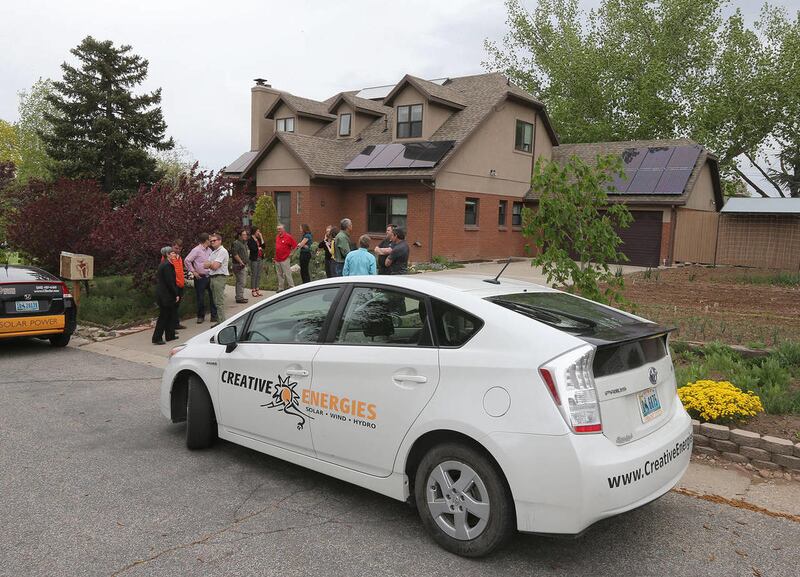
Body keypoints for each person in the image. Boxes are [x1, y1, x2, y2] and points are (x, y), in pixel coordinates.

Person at [184, 233, 218, 324]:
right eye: (210, 239)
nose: (211, 241)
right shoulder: (196, 250)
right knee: (200, 297)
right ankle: (200, 316)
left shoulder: (209, 250)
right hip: (200, 277)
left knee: (213, 296)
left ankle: (214, 315)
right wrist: (193, 271)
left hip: (209, 276)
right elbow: (187, 260)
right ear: (206, 240)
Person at [153, 246, 180, 345]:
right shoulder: (167, 265)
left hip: (165, 294)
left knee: (170, 315)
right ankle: (157, 338)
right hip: (165, 295)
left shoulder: (166, 264)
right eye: (172, 253)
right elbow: (170, 282)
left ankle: (170, 335)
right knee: (164, 316)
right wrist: (176, 293)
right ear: (167, 254)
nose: (174, 254)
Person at [204, 233, 229, 326]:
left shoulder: (222, 251)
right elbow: (205, 265)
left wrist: (210, 264)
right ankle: (219, 321)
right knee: (215, 301)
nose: (212, 242)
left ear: (220, 241)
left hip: (219, 277)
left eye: (214, 240)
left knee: (219, 302)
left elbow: (215, 266)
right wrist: (211, 264)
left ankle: (222, 323)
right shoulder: (213, 252)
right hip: (213, 277)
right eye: (211, 241)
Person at [274, 223, 298, 291]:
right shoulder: (277, 237)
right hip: (277, 259)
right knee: (279, 274)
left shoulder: (288, 237)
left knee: (288, 274)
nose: (278, 230)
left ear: (283, 229)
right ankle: (281, 288)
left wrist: (291, 254)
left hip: (285, 259)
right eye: (277, 229)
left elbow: (295, 246)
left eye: (280, 229)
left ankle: (291, 287)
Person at [230, 229, 250, 304]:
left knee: (240, 281)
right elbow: (235, 253)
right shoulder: (236, 243)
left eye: (246, 234)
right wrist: (240, 262)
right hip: (239, 265)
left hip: (242, 264)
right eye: (243, 235)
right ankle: (239, 298)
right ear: (239, 236)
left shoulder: (243, 243)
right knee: (241, 281)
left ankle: (239, 296)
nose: (245, 236)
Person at [248, 226, 264, 297]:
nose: (259, 232)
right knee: (254, 274)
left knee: (259, 274)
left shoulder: (258, 239)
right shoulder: (250, 239)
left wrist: (261, 237)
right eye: (258, 231)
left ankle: (257, 289)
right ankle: (253, 290)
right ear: (254, 231)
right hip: (254, 259)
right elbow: (252, 249)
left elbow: (263, 246)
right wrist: (259, 248)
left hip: (260, 258)